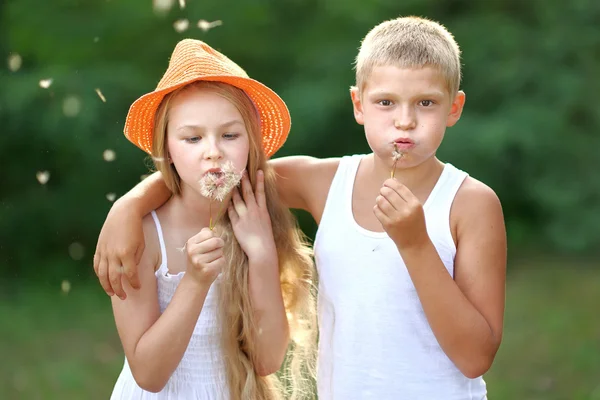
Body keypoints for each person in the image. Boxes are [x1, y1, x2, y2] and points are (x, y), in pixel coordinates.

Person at [96, 17, 506, 399]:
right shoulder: (326, 183)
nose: (404, 121)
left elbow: (475, 358)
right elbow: (219, 173)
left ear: (454, 108)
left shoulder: (471, 203)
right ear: (358, 104)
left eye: (426, 104)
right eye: (385, 102)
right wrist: (128, 209)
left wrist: (415, 243)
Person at [106, 39, 316, 400]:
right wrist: (195, 280)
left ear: (251, 142)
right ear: (167, 150)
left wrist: (263, 255)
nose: (213, 152)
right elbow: (149, 374)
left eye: (230, 135)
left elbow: (267, 360)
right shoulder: (142, 234)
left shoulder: (258, 219)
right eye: (192, 138)